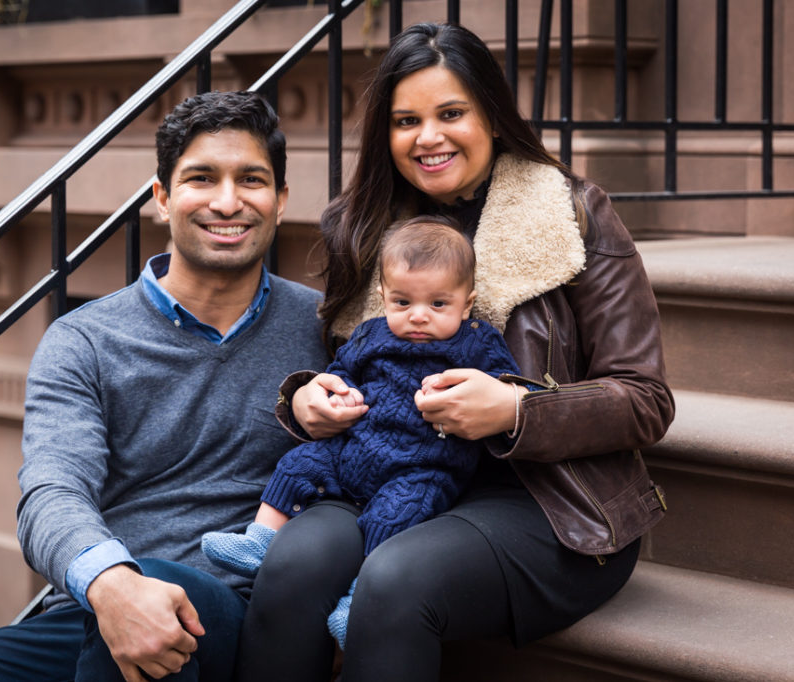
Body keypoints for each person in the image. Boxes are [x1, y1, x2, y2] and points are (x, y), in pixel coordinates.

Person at [234, 22, 675, 682]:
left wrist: (516, 411)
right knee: (291, 565)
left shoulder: (572, 215)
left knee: (393, 580)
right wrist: (308, 399)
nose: (428, 137)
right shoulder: (364, 228)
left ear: (491, 116)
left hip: (542, 500)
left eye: (451, 113)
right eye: (406, 119)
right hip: (385, 473)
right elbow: (349, 365)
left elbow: (646, 400)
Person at [0, 91, 331, 682]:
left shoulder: (325, 329)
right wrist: (111, 585)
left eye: (250, 180)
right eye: (201, 178)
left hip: (235, 622)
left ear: (280, 201)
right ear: (161, 198)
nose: (227, 201)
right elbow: (52, 491)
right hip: (98, 612)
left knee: (165, 595)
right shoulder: (84, 340)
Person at [201, 216, 536, 648]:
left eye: (438, 304)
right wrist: (334, 396)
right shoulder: (369, 335)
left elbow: (510, 387)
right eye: (402, 303)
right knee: (297, 463)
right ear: (383, 299)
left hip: (423, 465)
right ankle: (260, 540)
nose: (418, 316)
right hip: (356, 445)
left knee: (394, 518)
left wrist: (494, 395)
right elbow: (340, 373)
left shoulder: (476, 342)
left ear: (466, 304)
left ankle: (358, 601)